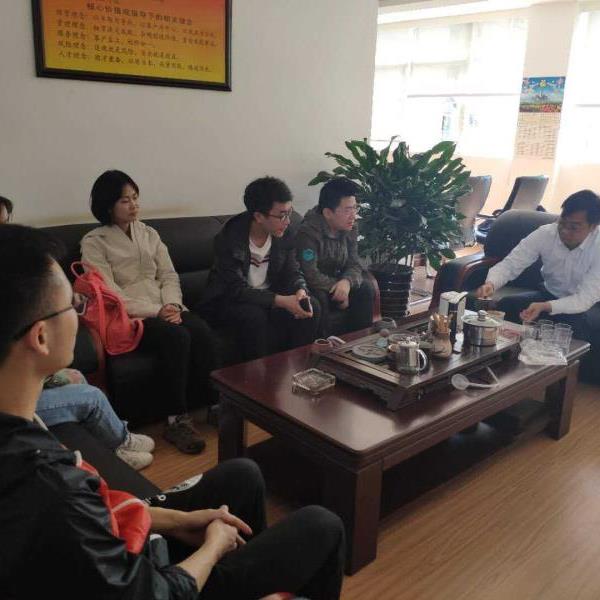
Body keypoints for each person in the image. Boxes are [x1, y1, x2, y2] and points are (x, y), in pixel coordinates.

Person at [0, 223, 345, 599]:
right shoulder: (50, 489)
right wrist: (213, 547)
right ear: (40, 336)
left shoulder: (23, 430)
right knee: (322, 525)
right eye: (73, 304)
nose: (79, 314)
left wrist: (180, 520)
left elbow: (98, 509)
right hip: (155, 586)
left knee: (242, 473)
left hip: (113, 550)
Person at [0, 194, 155, 469]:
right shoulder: (95, 241)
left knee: (76, 377)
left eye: (6, 224)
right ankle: (121, 444)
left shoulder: (149, 234)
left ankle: (111, 446)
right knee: (91, 397)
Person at [81, 170, 215, 454]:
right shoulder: (94, 242)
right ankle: (176, 421)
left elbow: (169, 275)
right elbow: (110, 294)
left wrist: (173, 305)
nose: (134, 205)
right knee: (176, 337)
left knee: (201, 330)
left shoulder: (149, 233)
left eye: (135, 198)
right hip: (132, 316)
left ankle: (214, 404)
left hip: (167, 305)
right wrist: (157, 311)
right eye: (125, 200)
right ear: (108, 205)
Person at [198, 176, 321, 361]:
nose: (287, 221)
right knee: (254, 316)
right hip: (228, 301)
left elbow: (293, 270)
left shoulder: (286, 233)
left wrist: (300, 290)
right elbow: (235, 289)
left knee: (312, 306)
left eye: (290, 212)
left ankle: (299, 367)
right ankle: (259, 376)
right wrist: (281, 301)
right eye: (282, 215)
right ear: (258, 216)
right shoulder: (229, 239)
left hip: (268, 296)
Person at [475, 190, 600, 344]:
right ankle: (507, 354)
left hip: (589, 306)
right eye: (562, 223)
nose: (564, 231)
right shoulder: (546, 234)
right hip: (548, 294)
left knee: (575, 325)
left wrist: (546, 306)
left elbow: (584, 299)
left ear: (593, 226)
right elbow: (512, 264)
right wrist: (491, 283)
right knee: (507, 305)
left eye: (574, 227)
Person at [295, 177, 374, 337]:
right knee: (320, 297)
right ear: (328, 213)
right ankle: (325, 347)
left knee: (366, 288)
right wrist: (339, 289)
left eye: (355, 208)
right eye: (347, 210)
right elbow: (310, 274)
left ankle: (359, 343)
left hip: (339, 281)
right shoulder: (308, 233)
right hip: (315, 286)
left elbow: (354, 263)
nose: (353, 215)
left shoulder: (350, 227)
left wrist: (347, 283)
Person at [38, 368, 156, 470]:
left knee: (76, 375)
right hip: (27, 405)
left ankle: (106, 448)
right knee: (92, 398)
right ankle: (118, 448)